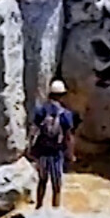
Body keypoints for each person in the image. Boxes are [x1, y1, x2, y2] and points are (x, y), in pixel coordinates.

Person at [29, 79, 78, 209]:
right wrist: (70, 154)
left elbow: (33, 130)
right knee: (57, 183)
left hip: (43, 151)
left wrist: (31, 149)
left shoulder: (41, 111)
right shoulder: (65, 114)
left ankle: (39, 206)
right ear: (62, 95)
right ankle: (55, 208)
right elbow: (68, 136)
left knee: (42, 180)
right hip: (57, 152)